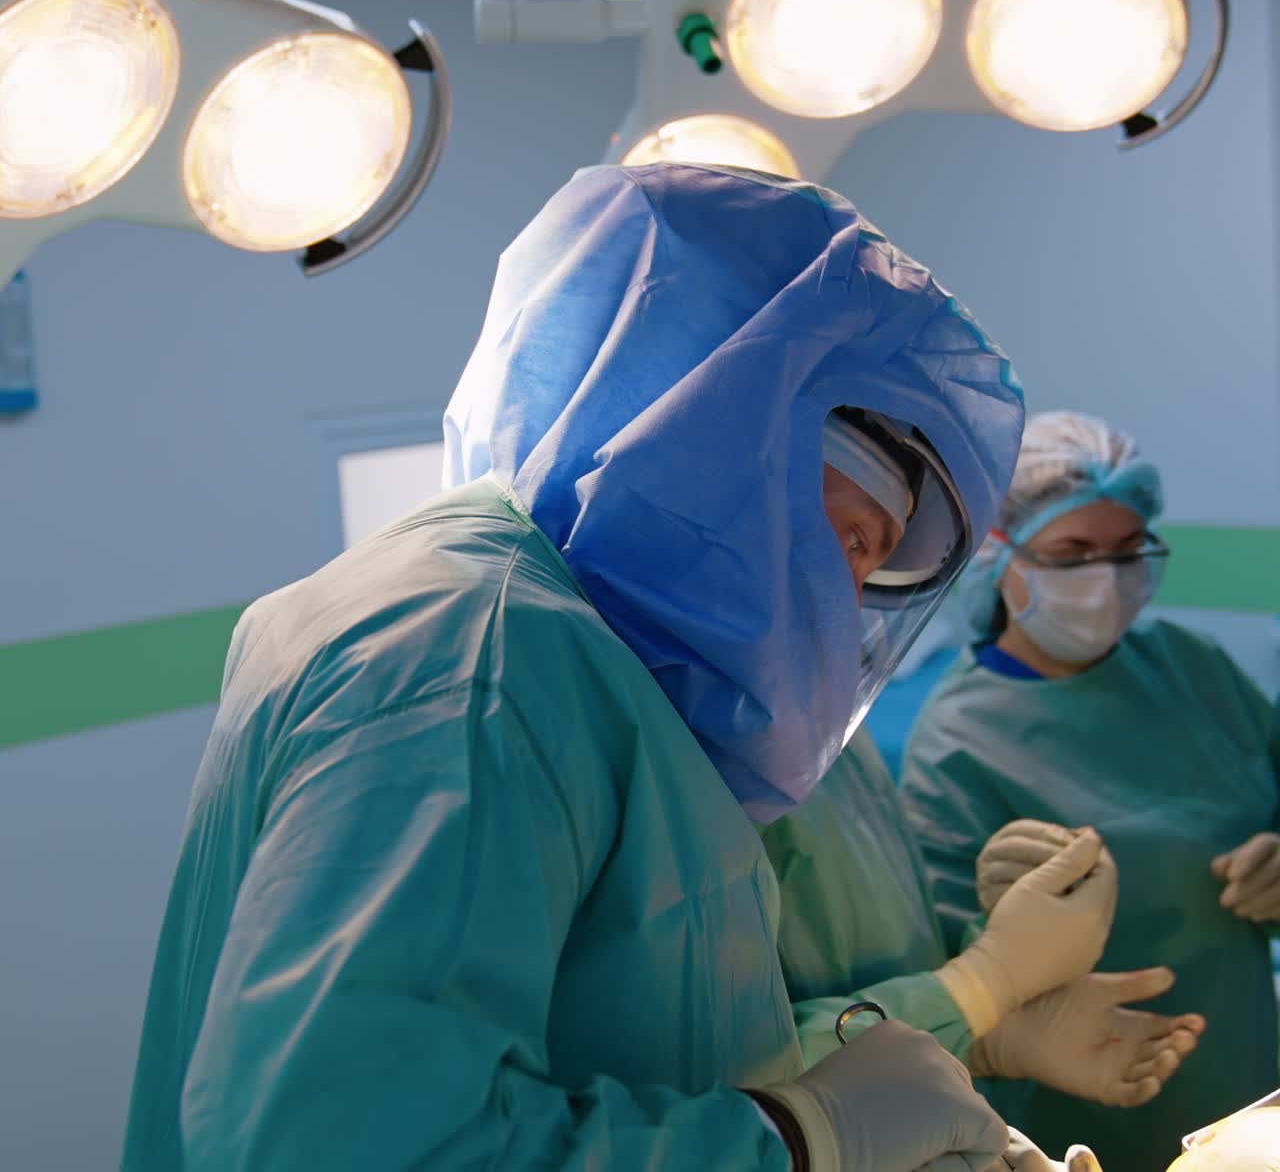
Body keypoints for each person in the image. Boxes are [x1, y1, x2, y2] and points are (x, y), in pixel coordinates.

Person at [122, 162, 1030, 1171]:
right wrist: (795, 1137)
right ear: (699, 436)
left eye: (869, 561)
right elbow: (334, 1143)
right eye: (843, 533)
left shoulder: (589, 673)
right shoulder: (476, 657)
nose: (840, 592)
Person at [899, 410, 1280, 1172]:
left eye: (1129, 549)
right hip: (1086, 1105)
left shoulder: (1190, 667)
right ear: (999, 556)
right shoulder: (955, 745)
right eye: (1074, 553)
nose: (1106, 577)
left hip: (1242, 1085)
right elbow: (945, 988)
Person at [764, 725, 1203, 1099]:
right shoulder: (711, 766)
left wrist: (990, 1035)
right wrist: (981, 985)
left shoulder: (830, 718)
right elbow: (733, 1103)